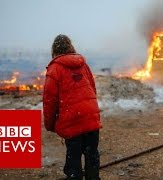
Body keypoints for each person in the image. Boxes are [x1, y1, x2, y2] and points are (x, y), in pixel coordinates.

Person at [43, 34, 102, 180]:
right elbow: (92, 89)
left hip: (72, 121)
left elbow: (50, 101)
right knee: (92, 154)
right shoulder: (83, 64)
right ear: (71, 47)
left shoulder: (54, 69)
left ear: (54, 49)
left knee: (74, 159)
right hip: (90, 118)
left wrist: (50, 125)